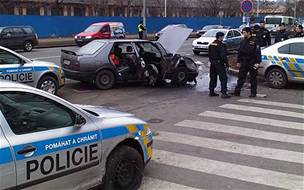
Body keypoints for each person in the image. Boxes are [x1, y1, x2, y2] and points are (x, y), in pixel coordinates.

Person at [233, 27, 261, 98]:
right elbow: (240, 52)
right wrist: (238, 61)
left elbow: (257, 52)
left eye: (244, 32)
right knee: (241, 77)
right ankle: (237, 91)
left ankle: (253, 93)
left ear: (248, 33)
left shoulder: (255, 41)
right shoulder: (243, 41)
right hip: (244, 61)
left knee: (253, 78)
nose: (243, 34)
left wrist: (258, 62)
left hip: (252, 61)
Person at [208, 32, 230, 99]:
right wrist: (227, 64)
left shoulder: (211, 44)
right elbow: (223, 56)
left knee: (213, 77)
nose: (223, 38)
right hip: (219, 63)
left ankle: (211, 91)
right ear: (220, 37)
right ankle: (224, 93)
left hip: (213, 63)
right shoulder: (221, 45)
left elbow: (209, 54)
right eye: (222, 37)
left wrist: (212, 61)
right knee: (223, 78)